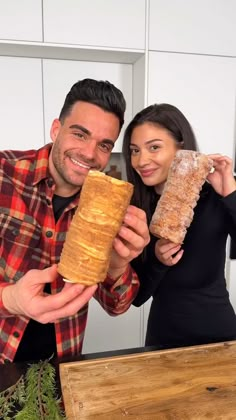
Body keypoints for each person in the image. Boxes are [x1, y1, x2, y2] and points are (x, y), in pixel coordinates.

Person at [0, 78, 150, 363]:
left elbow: (118, 305)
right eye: (80, 134)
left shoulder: (109, 207)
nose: (90, 154)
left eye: (104, 145)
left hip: (62, 367)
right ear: (56, 129)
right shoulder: (4, 175)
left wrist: (118, 263)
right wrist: (12, 299)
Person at [122, 103, 236, 350]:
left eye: (154, 147)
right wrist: (157, 261)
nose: (141, 161)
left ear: (181, 147)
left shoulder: (215, 195)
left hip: (220, 336)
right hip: (163, 338)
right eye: (134, 150)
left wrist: (229, 192)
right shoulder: (135, 208)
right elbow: (137, 298)